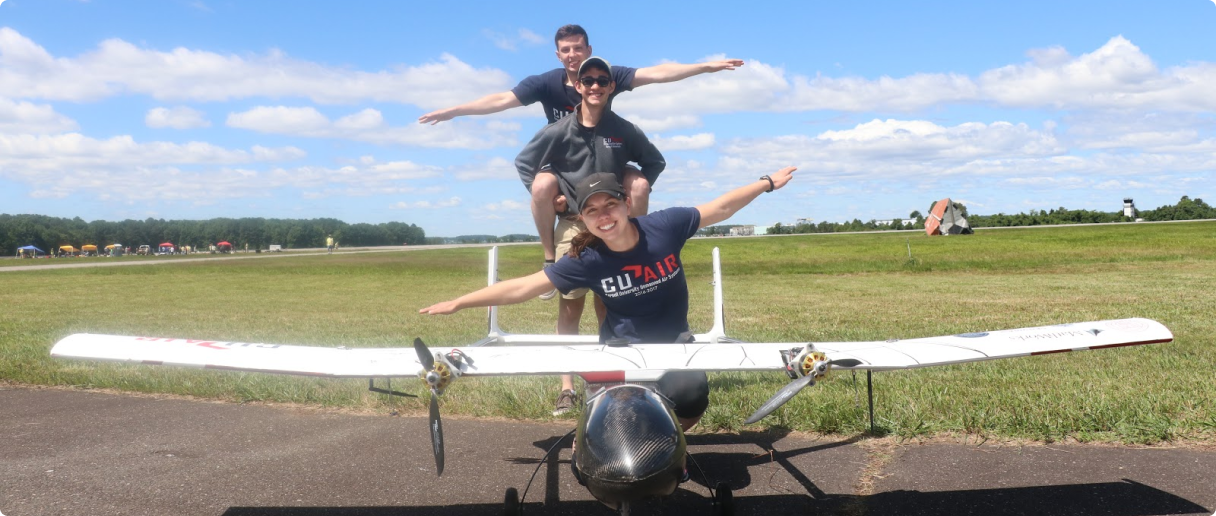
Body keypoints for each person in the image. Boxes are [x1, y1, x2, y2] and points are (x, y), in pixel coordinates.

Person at [421, 165, 797, 429]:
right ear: (582, 219)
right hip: (619, 350)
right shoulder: (586, 260)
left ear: (627, 205)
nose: (604, 216)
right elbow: (524, 286)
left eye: (610, 205)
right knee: (615, 420)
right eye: (592, 210)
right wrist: (459, 302)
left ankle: (668, 444)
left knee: (693, 396)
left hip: (674, 345)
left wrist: (766, 183)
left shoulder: (665, 227)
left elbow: (721, 207)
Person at [418, 24, 743, 282]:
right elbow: (501, 100)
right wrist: (454, 111)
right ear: (558, 55)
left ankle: (635, 251)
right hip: (566, 164)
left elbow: (655, 73)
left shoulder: (606, 74)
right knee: (542, 186)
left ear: (589, 50)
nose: (573, 55)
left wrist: (705, 67)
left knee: (641, 185)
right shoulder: (546, 84)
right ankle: (548, 256)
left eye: (578, 48)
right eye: (566, 50)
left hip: (608, 157)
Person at [514, 55, 665, 414]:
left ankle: (611, 382)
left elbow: (655, 162)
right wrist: (557, 199)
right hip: (576, 226)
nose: (595, 85)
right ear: (577, 86)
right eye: (588, 80)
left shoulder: (623, 129)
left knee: (609, 306)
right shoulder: (560, 129)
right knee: (571, 307)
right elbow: (524, 163)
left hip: (613, 228)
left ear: (612, 87)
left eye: (603, 80)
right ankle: (567, 387)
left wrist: (629, 196)